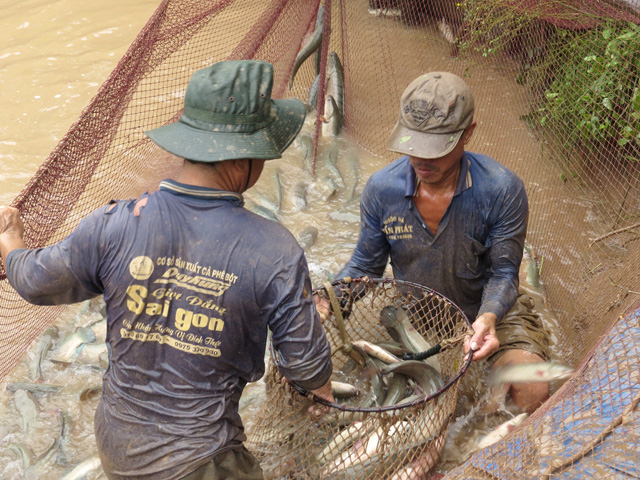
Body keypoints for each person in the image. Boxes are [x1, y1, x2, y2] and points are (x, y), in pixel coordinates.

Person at [0, 60, 334, 480]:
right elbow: (307, 368)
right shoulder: (275, 250)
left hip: (118, 446)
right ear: (243, 158)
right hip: (200, 461)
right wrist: (321, 393)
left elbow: (32, 280)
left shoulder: (112, 223)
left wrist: (10, 238)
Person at [319, 71, 550, 415]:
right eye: (414, 145)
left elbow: (504, 274)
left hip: (490, 314)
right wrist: (329, 299)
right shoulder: (382, 190)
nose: (422, 160)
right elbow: (365, 267)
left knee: (531, 390)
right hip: (418, 316)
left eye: (436, 148)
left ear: (468, 133)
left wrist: (488, 317)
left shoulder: (502, 190)